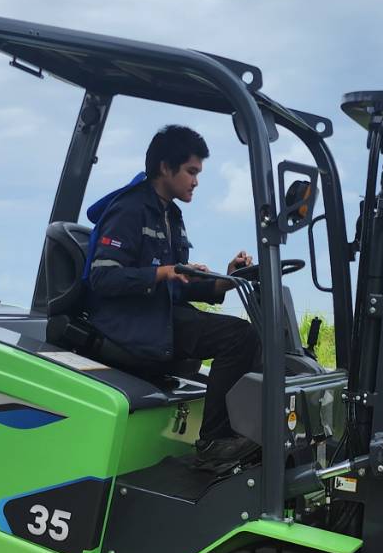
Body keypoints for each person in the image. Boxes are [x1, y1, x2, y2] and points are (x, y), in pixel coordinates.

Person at [86, 124, 260, 465]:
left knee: (253, 336)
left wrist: (225, 280)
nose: (196, 182)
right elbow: (102, 277)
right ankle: (214, 443)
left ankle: (243, 431)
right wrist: (161, 273)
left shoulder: (171, 215)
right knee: (239, 336)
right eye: (191, 172)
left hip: (158, 314)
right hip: (131, 322)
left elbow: (177, 282)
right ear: (166, 167)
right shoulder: (130, 210)